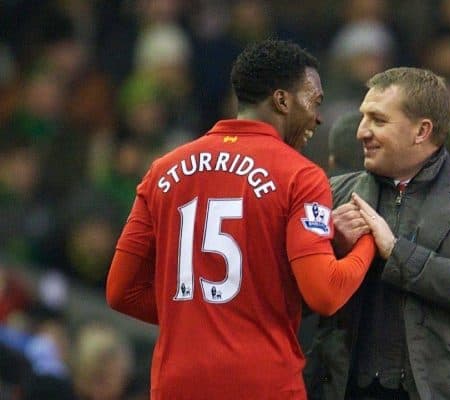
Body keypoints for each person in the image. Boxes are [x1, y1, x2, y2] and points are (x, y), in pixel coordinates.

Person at [105, 39, 376, 400]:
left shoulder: (163, 171)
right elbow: (325, 293)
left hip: (176, 385)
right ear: (282, 101)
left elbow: (121, 291)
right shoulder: (300, 175)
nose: (318, 116)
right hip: (262, 384)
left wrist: (199, 315)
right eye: (314, 101)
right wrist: (367, 241)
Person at [304, 67, 450, 399]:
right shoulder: (331, 194)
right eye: (363, 118)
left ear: (422, 131)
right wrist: (328, 247)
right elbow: (288, 298)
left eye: (378, 120)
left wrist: (396, 251)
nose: (362, 131)